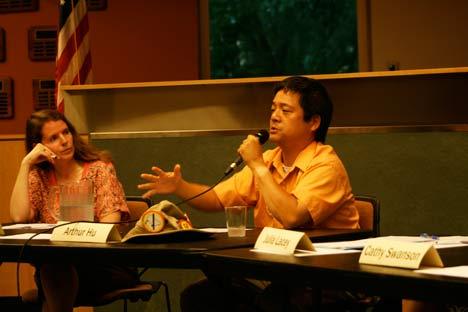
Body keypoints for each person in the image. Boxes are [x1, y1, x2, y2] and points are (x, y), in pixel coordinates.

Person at [138, 76, 360, 311]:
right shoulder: (268, 161)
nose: (274, 116)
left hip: (323, 284)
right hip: (278, 276)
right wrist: (179, 186)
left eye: (285, 110)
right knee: (202, 296)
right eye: (273, 108)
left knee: (273, 302)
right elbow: (216, 199)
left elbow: (292, 216)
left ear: (313, 122)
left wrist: (256, 164)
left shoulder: (325, 166)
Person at [10, 109, 139, 312]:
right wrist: (25, 163)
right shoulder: (39, 177)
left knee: (54, 276)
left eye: (66, 132)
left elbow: (109, 227)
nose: (64, 141)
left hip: (102, 265)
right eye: (53, 138)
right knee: (54, 267)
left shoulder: (99, 170)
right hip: (55, 266)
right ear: (39, 147)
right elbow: (18, 216)